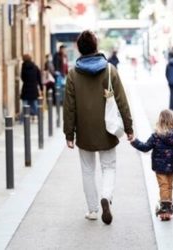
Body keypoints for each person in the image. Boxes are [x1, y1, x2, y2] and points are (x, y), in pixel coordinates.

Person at [63, 30, 134, 225]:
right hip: (108, 129)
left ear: (79, 49)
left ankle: (93, 210)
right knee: (109, 166)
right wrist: (128, 127)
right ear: (96, 46)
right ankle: (106, 196)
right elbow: (121, 101)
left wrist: (69, 133)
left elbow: (69, 107)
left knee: (87, 170)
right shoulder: (110, 70)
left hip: (84, 131)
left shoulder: (72, 74)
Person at [130, 110, 173, 220]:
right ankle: (168, 205)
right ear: (172, 121)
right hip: (171, 166)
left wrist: (134, 141)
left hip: (159, 167)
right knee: (169, 186)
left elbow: (145, 147)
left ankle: (165, 208)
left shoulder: (156, 136)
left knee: (163, 186)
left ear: (160, 121)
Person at [20, 54, 43, 120]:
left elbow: (22, 78)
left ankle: (23, 120)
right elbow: (39, 79)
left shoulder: (23, 67)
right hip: (33, 89)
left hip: (26, 89)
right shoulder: (35, 67)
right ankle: (39, 117)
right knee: (35, 105)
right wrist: (41, 89)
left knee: (25, 105)